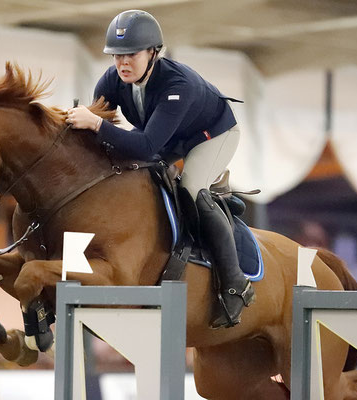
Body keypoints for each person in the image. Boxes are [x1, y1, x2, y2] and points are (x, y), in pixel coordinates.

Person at [65, 9, 254, 328]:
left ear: (153, 53)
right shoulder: (112, 80)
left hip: (211, 136)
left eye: (131, 55)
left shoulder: (176, 85)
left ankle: (236, 284)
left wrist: (95, 122)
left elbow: (145, 145)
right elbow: (95, 136)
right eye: (117, 56)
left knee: (191, 189)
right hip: (170, 138)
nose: (122, 63)